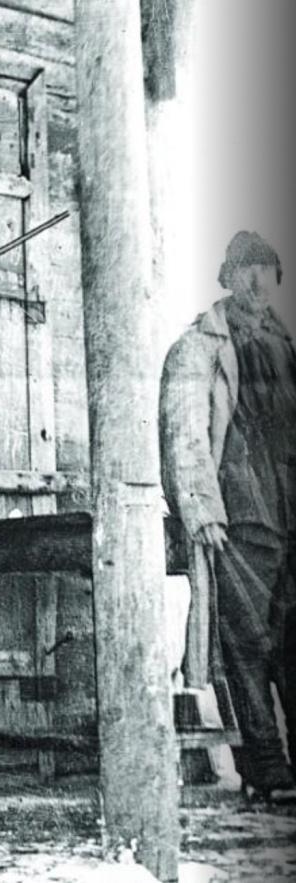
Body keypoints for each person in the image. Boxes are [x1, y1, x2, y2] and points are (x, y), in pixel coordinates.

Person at [160, 230, 296, 802]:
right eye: (247, 270)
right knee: (247, 644)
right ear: (228, 276)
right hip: (239, 518)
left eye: (267, 271)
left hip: (287, 515)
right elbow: (183, 432)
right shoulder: (200, 346)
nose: (258, 282)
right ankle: (265, 768)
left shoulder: (284, 346)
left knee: (289, 641)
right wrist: (199, 507)